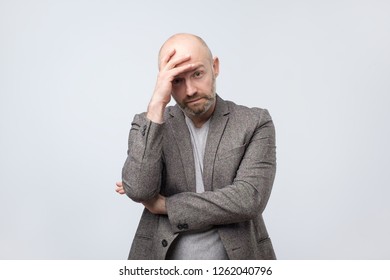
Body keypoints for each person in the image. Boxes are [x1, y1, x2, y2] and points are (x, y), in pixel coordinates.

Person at [115, 33, 277, 260]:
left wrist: (166, 205)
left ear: (215, 67)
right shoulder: (148, 123)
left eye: (197, 74)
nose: (190, 90)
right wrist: (157, 105)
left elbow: (249, 199)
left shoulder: (254, 122)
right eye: (177, 80)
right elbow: (140, 190)